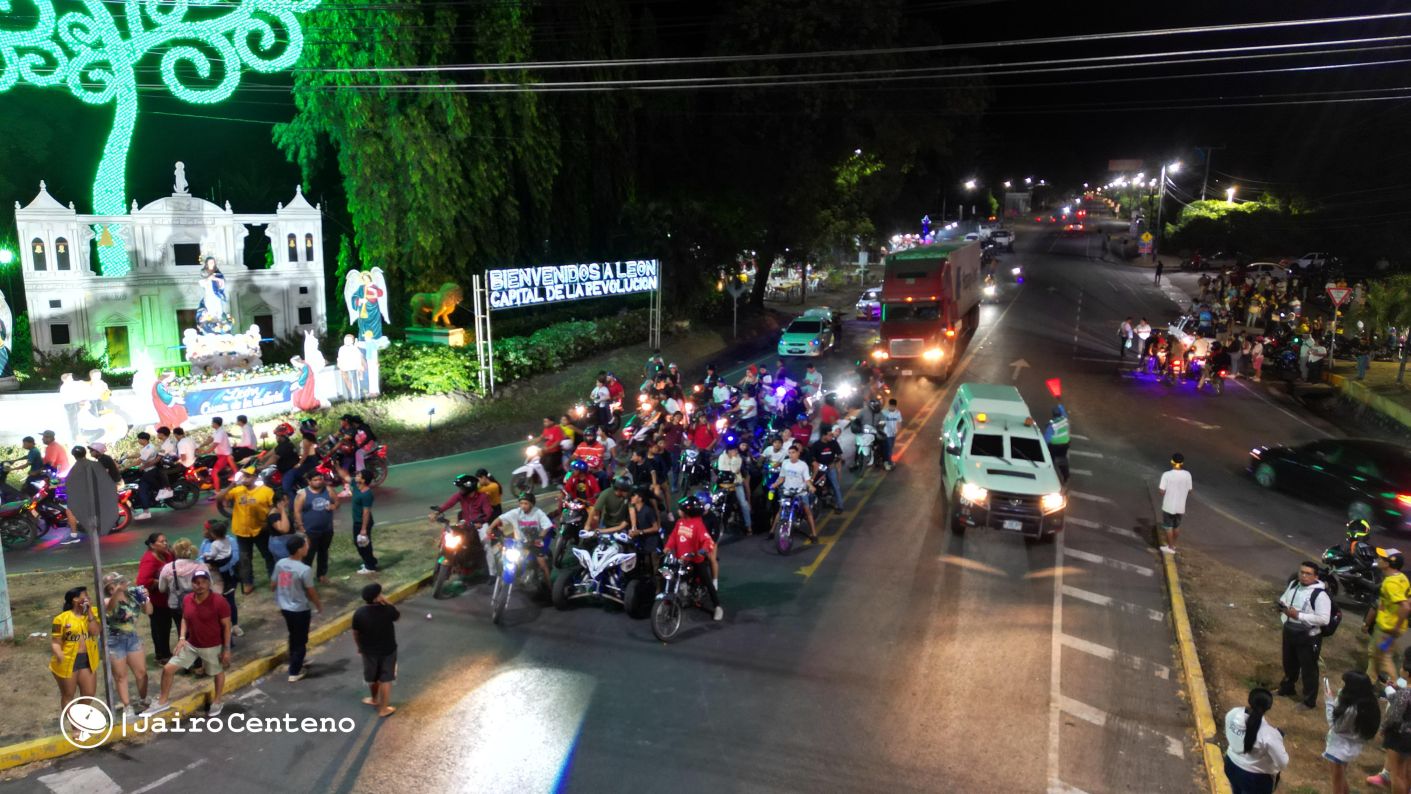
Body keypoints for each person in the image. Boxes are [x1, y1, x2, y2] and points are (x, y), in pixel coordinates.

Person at [143, 568, 232, 718]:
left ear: (209, 583)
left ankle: (217, 700)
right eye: (196, 583)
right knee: (168, 669)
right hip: (191, 644)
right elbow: (184, 618)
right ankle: (163, 701)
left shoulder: (219, 601)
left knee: (217, 672)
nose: (200, 585)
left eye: (203, 582)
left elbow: (227, 626)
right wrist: (182, 638)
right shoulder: (187, 599)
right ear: (192, 584)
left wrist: (227, 650)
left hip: (212, 646)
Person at [1277, 561, 1332, 708]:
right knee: (1289, 663)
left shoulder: (1320, 595)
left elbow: (1324, 619)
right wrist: (1282, 606)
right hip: (1290, 631)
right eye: (1302, 572)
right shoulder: (1294, 584)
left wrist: (1299, 616)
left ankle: (1309, 701)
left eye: (1308, 573)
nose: (1304, 576)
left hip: (1309, 636)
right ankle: (1288, 688)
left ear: (1316, 576)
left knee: (1309, 669)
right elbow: (1284, 598)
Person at [272, 535, 321, 683]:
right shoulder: (304, 569)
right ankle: (295, 671)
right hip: (299, 609)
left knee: (293, 634)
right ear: (299, 550)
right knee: (301, 640)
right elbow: (311, 591)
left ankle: (295, 659)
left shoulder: (281, 563)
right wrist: (318, 604)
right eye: (305, 545)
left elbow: (273, 584)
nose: (307, 547)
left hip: (284, 607)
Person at [102, 571, 152, 715]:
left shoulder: (133, 594)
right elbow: (109, 608)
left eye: (118, 583)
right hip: (114, 640)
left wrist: (146, 598)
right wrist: (117, 592)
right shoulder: (107, 600)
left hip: (132, 638)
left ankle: (144, 699)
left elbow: (149, 611)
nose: (116, 587)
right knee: (120, 675)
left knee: (141, 672)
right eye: (112, 586)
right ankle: (127, 706)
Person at [666, 495, 723, 621]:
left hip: (696, 560)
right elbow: (673, 536)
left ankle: (717, 606)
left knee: (708, 582)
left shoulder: (698, 524)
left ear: (687, 511)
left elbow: (707, 540)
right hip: (682, 559)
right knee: (672, 575)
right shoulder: (680, 522)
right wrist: (668, 547)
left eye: (680, 509)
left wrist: (702, 551)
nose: (678, 511)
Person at [1323, 671, 1380, 794]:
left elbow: (1335, 726)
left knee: (1337, 781)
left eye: (1345, 684)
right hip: (1351, 748)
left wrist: (1329, 702)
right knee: (1341, 777)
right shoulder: (1368, 704)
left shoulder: (1351, 710)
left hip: (1339, 749)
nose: (1342, 686)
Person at [1223, 687, 1287, 794]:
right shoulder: (1269, 735)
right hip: (1254, 779)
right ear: (1269, 707)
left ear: (1249, 700)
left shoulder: (1232, 714)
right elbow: (1282, 763)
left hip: (1230, 765)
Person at [219, 473, 275, 594]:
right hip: (242, 531)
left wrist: (268, 522)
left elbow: (273, 507)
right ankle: (248, 582)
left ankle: (273, 579)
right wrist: (231, 485)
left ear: (255, 478)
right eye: (244, 476)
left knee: (268, 555)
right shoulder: (237, 490)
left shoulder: (267, 491)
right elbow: (219, 498)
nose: (245, 479)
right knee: (244, 558)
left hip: (261, 530)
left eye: (248, 476)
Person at [50, 586, 100, 715]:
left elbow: (95, 632)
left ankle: (79, 717)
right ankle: (76, 727)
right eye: (85, 596)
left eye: (88, 596)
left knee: (88, 694)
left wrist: (89, 613)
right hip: (68, 662)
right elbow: (55, 642)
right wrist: (60, 655)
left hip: (87, 659)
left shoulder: (93, 613)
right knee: (68, 695)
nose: (88, 598)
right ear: (75, 600)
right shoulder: (60, 619)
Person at [352, 583, 399, 717]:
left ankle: (374, 699)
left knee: (373, 677)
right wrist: (387, 602)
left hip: (368, 651)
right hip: (388, 650)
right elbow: (397, 616)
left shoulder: (359, 613)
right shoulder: (388, 609)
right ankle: (384, 709)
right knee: (386, 678)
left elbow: (355, 633)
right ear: (377, 597)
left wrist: (359, 647)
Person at [488, 492, 555, 585]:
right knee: (503, 554)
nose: (523, 506)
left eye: (526, 503)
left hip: (534, 542)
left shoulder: (538, 513)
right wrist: (490, 529)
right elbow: (500, 518)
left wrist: (540, 537)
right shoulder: (516, 512)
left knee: (542, 563)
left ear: (532, 504)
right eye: (521, 503)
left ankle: (549, 587)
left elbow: (547, 526)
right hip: (519, 543)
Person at [1365, 548, 1411, 682]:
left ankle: (1393, 687)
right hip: (1392, 629)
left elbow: (1405, 606)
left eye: (1382, 559)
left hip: (1387, 629)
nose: (1378, 560)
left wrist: (1395, 627)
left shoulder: (1390, 583)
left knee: (1381, 659)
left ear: (1388, 564)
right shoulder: (1402, 578)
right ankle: (1371, 682)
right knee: (1381, 657)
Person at [294, 471, 339, 583]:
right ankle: (305, 577)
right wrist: (301, 527)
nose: (319, 482)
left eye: (320, 479)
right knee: (308, 554)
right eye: (315, 480)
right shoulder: (303, 494)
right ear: (309, 481)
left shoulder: (328, 490)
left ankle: (321, 575)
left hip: (327, 529)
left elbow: (337, 501)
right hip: (310, 530)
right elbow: (297, 511)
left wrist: (334, 506)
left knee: (323, 552)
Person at [137, 533, 176, 662]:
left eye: (166, 540)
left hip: (168, 599)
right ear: (152, 545)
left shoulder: (167, 554)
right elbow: (142, 581)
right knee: (160, 628)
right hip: (157, 602)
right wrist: (160, 581)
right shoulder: (149, 559)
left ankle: (165, 652)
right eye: (161, 542)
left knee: (166, 626)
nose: (165, 543)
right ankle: (162, 655)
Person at [200, 519, 241, 637]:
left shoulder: (229, 540)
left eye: (205, 529)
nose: (203, 531)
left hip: (227, 576)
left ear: (212, 531)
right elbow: (200, 558)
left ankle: (235, 625)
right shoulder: (205, 543)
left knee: (229, 601)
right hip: (211, 579)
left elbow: (234, 558)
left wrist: (217, 567)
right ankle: (219, 628)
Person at [773, 444, 818, 542]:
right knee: (781, 510)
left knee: (807, 512)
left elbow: (807, 479)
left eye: (793, 452)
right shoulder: (785, 463)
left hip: (800, 492)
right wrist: (775, 484)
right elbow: (782, 477)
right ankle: (772, 531)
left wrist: (811, 486)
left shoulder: (803, 465)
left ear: (798, 453)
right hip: (787, 491)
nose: (791, 455)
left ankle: (814, 534)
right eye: (789, 453)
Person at [1158, 453, 1193, 554]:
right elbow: (1190, 490)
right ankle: (1173, 544)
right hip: (1180, 507)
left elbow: (1161, 491)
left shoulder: (1167, 475)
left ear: (1172, 461)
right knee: (1176, 526)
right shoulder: (1187, 474)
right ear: (1182, 463)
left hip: (1168, 506)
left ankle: (1170, 547)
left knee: (1168, 527)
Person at [715, 443, 755, 531]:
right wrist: (731, 469)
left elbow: (734, 470)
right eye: (734, 450)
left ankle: (748, 525)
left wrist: (733, 459)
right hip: (723, 484)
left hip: (736, 484)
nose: (736, 452)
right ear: (729, 451)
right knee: (716, 502)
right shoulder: (722, 457)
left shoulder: (738, 458)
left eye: (736, 450)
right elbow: (722, 468)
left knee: (743, 503)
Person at [809, 425, 844, 512]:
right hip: (820, 469)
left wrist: (836, 465)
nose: (831, 437)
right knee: (815, 486)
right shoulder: (816, 445)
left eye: (832, 435)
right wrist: (815, 463)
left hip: (830, 467)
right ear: (823, 436)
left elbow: (839, 455)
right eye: (829, 435)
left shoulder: (833, 443)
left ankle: (840, 505)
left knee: (836, 486)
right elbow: (811, 457)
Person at [350, 469, 379, 574]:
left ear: (363, 480)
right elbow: (344, 476)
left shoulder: (367, 494)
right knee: (362, 543)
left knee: (362, 544)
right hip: (358, 521)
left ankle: (370, 567)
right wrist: (337, 466)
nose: (356, 476)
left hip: (363, 523)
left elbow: (366, 512)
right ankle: (371, 561)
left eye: (358, 475)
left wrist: (363, 529)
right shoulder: (356, 486)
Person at [203, 416, 236, 496]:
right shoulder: (217, 431)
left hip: (224, 456)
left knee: (214, 473)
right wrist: (200, 446)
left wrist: (205, 451)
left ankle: (217, 492)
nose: (211, 424)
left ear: (215, 423)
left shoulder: (220, 432)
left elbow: (214, 445)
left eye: (212, 422)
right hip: (220, 455)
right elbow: (210, 440)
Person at [1044, 404, 1070, 481]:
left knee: (1050, 460)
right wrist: (1059, 404)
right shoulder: (1065, 419)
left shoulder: (1052, 425)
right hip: (1065, 444)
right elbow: (1063, 411)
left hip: (1054, 445)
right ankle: (1066, 476)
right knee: (1062, 459)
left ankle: (1049, 476)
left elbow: (1047, 438)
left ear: (1053, 414)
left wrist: (1043, 446)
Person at [337, 334, 366, 402]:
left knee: (355, 382)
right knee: (347, 382)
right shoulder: (342, 348)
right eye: (345, 339)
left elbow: (358, 358)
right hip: (345, 368)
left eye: (348, 340)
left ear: (352, 341)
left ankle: (357, 397)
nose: (346, 341)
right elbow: (340, 357)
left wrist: (360, 366)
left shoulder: (354, 349)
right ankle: (350, 396)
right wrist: (340, 365)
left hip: (353, 368)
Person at [879, 399, 902, 471]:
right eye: (891, 406)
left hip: (893, 433)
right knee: (888, 448)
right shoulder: (884, 412)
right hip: (886, 433)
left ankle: (886, 460)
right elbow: (879, 421)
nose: (892, 408)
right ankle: (888, 462)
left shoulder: (898, 413)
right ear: (889, 405)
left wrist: (898, 430)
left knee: (890, 447)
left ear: (895, 406)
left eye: (893, 407)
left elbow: (899, 422)